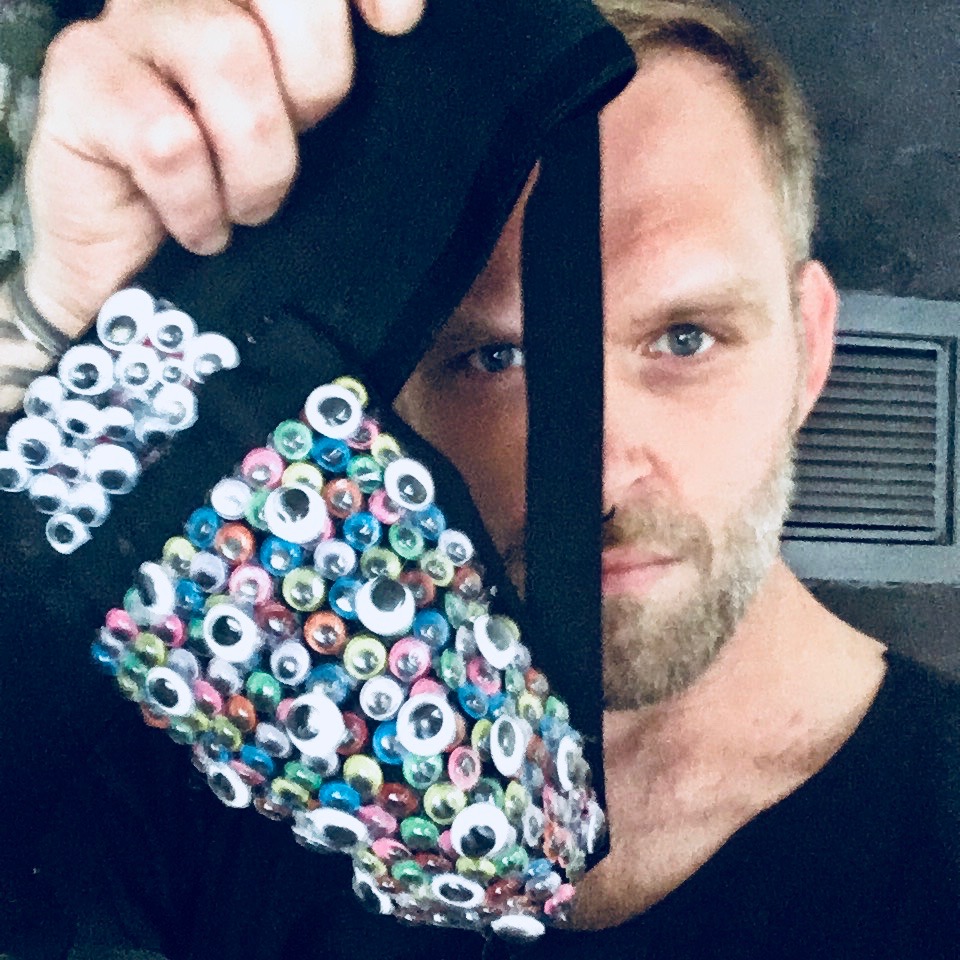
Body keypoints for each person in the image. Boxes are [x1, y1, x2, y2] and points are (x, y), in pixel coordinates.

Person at [2, 1, 957, 957]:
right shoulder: (203, 751)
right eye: (493, 359)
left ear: (810, 349)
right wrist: (65, 334)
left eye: (686, 338)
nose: (598, 481)